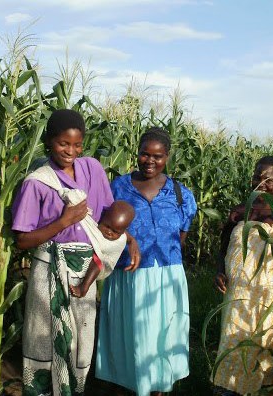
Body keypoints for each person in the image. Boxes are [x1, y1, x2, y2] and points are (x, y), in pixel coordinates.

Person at [11, 109, 140, 396]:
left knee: (81, 339)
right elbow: (22, 240)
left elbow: (107, 215)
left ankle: (74, 390)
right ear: (48, 142)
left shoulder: (93, 168)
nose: (71, 151)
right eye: (63, 144)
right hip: (49, 271)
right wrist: (63, 222)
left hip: (86, 272)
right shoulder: (37, 182)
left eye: (77, 144)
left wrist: (129, 238)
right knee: (45, 336)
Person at [96, 127, 198, 396]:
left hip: (167, 276)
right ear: (137, 153)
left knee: (163, 337)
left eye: (158, 156)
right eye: (144, 154)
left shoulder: (181, 194)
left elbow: (182, 235)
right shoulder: (117, 187)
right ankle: (126, 385)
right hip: (128, 275)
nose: (150, 161)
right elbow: (103, 226)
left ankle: (158, 388)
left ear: (167, 157)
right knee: (131, 336)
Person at [212, 156, 273, 396]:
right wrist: (219, 270)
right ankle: (229, 390)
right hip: (237, 292)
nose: (260, 183)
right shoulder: (240, 210)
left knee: (266, 344)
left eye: (267, 179)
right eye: (257, 177)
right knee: (233, 342)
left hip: (271, 295)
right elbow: (225, 244)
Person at [70, 200, 136, 298]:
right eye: (107, 226)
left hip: (103, 265)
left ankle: (83, 288)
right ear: (103, 217)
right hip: (84, 259)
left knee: (97, 261)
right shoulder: (95, 223)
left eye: (115, 231)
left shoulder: (121, 238)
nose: (109, 232)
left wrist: (131, 241)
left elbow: (110, 253)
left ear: (123, 231)